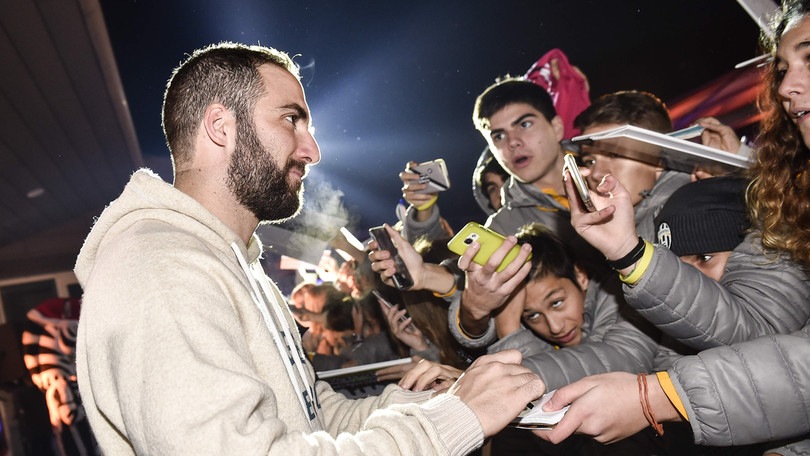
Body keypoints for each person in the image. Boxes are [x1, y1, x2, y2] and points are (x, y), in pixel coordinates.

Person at [73, 42, 545, 455]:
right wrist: (451, 423)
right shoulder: (161, 267)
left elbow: (310, 420)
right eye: (291, 119)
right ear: (221, 126)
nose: (312, 150)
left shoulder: (233, 263)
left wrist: (428, 404)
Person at [534, 2, 810, 449]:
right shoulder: (787, 195)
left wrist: (659, 397)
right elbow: (630, 343)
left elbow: (760, 333)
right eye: (781, 70)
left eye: (610, 152)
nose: (786, 87)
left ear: (659, 157)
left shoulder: (705, 206)